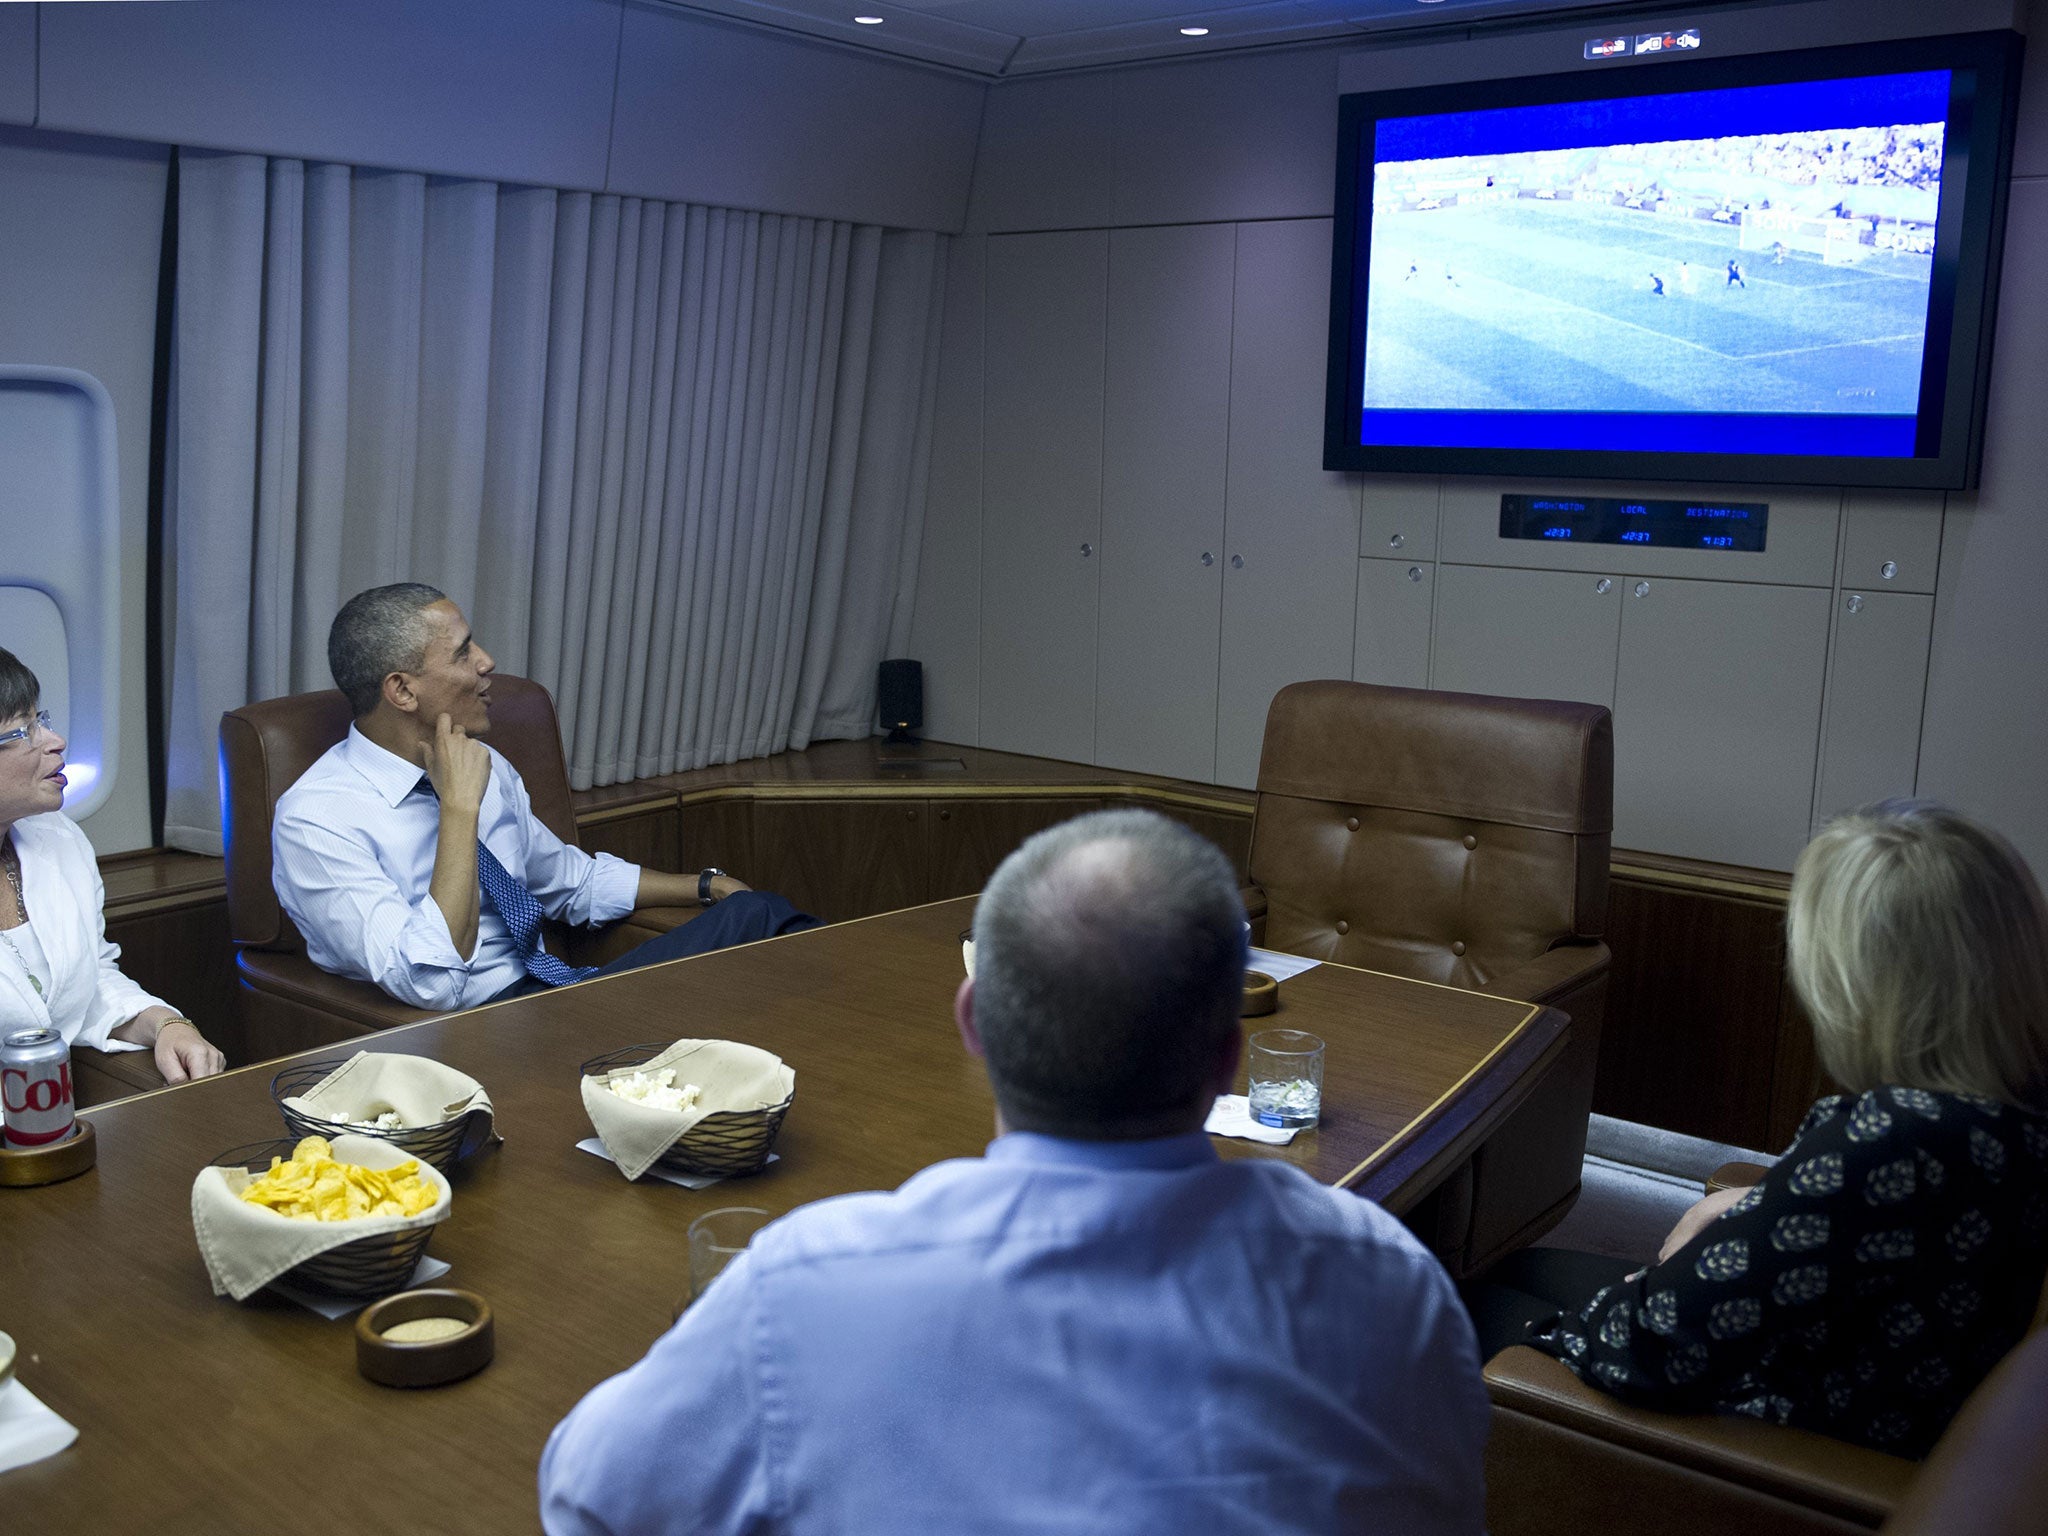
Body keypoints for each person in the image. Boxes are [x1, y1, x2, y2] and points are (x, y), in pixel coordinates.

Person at [538, 809, 1489, 1534]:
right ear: (1226, 1060)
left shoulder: (803, 1290)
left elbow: (585, 1494)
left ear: (973, 1022)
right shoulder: (1392, 1286)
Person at [1471, 800, 2048, 1459]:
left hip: (1793, 1430)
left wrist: (1650, 1290)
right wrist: (1761, 1204)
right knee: (1527, 1263)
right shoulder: (2006, 1098)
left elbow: (1645, 1348)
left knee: (1446, 1304)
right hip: (1886, 1363)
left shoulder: (1893, 1138)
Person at [273, 584, 816, 1012]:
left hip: (563, 995)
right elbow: (430, 983)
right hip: (478, 1030)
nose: (486, 662)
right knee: (765, 926)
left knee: (756, 921)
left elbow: (571, 883)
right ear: (403, 691)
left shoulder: (486, 764)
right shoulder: (317, 819)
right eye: (463, 653)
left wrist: (705, 884)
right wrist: (459, 811)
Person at [0, 648, 225, 1087]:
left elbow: (87, 981)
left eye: (40, 720)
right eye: (23, 731)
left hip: (48, 1118)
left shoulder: (57, 838)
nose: (54, 740)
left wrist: (164, 1023)